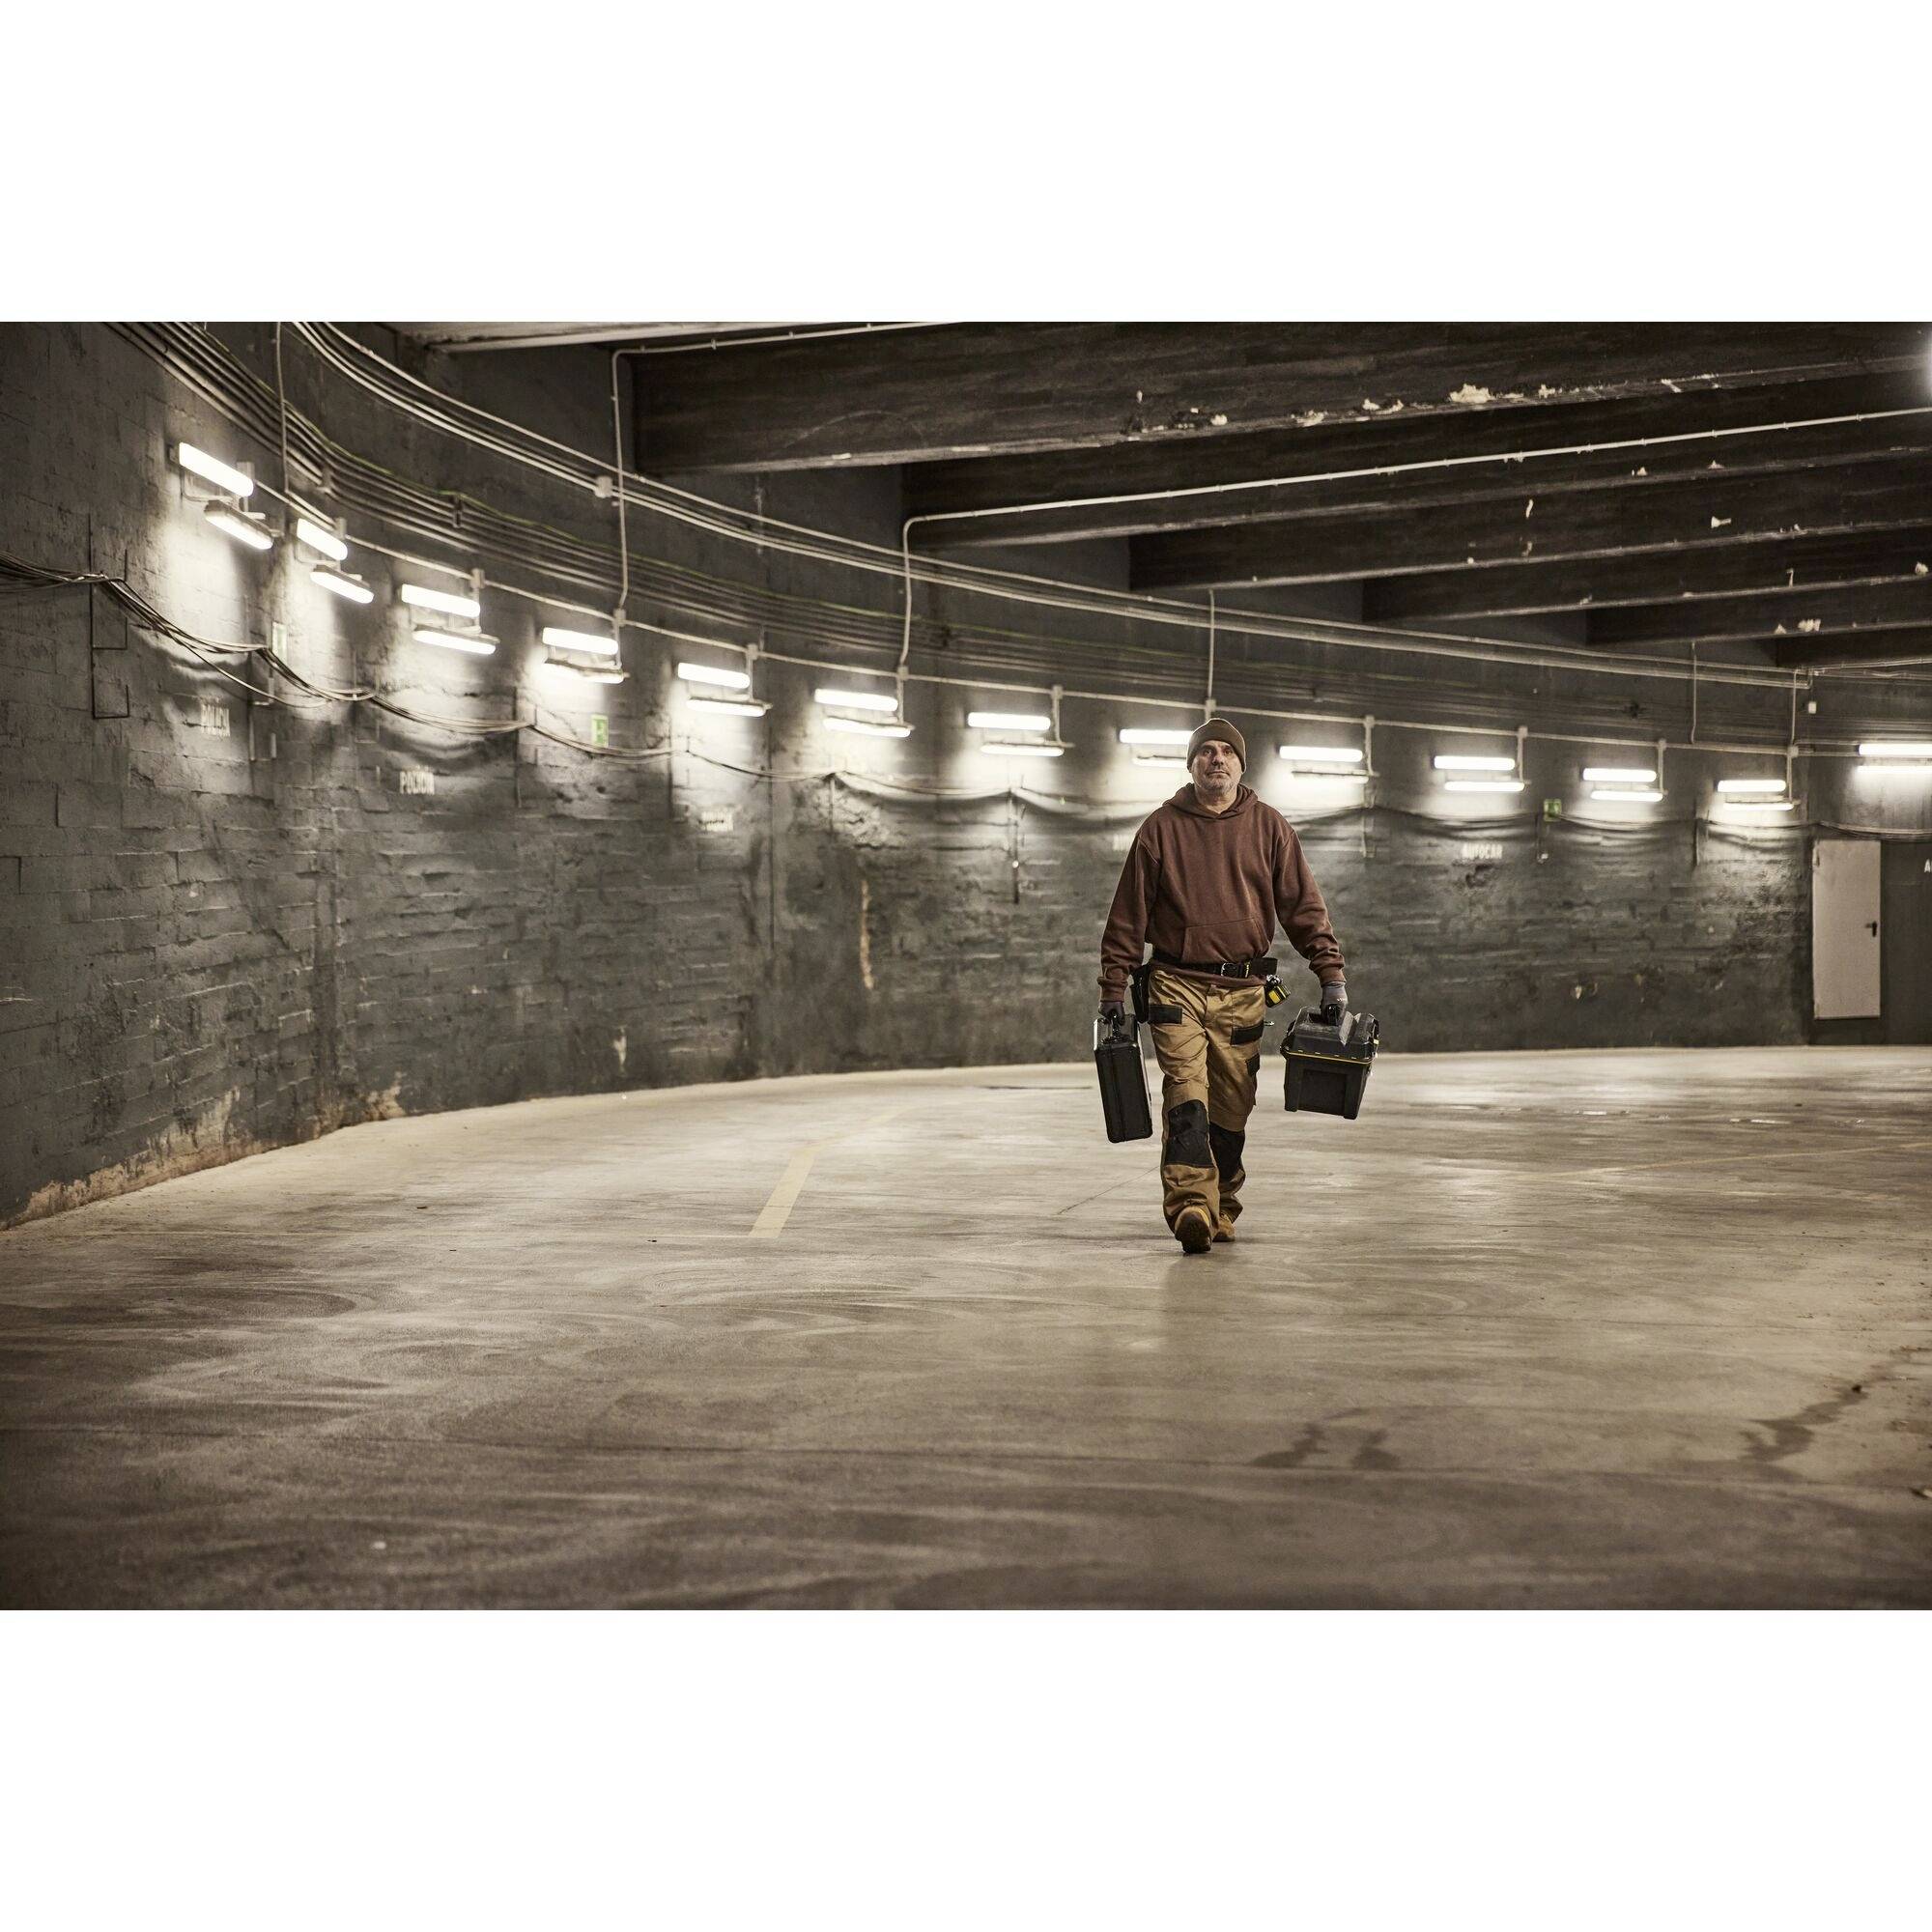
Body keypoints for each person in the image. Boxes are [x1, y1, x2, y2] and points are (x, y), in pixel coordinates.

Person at [1098, 717, 1348, 1254]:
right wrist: (1113, 990)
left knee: (1233, 1105)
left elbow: (1303, 907)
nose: (1217, 759)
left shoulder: (1270, 827)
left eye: (1227, 752)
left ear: (1240, 765)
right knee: (1186, 1094)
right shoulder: (1160, 830)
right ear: (1192, 765)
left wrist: (1331, 976)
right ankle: (1191, 1204)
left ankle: (1222, 1202)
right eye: (1206, 751)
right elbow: (1127, 916)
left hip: (1243, 990)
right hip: (1176, 985)